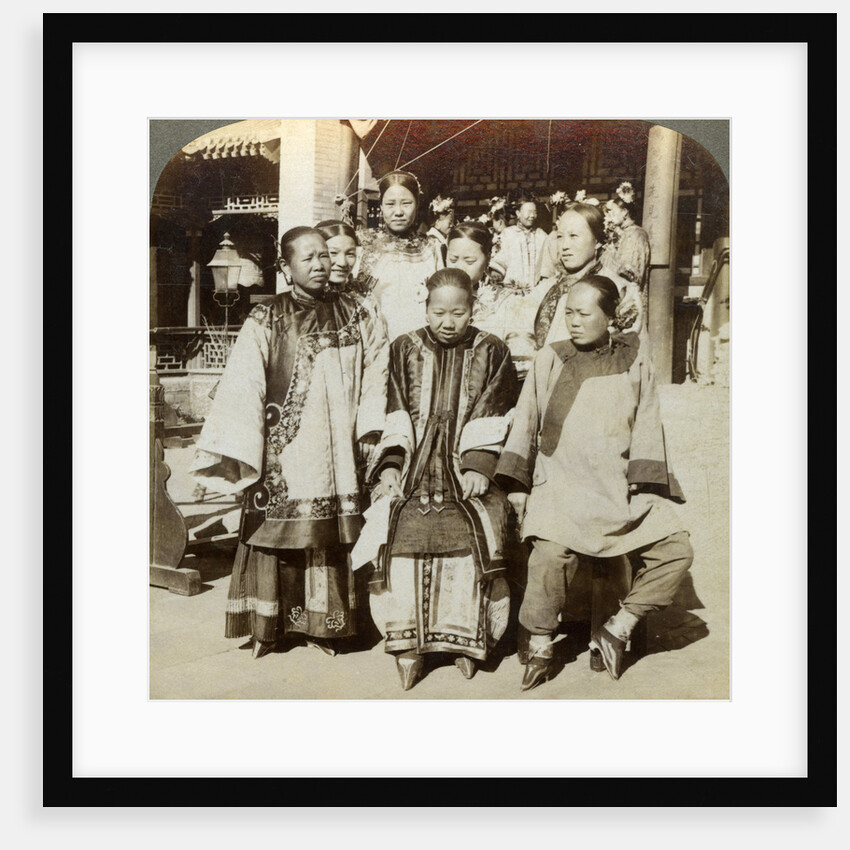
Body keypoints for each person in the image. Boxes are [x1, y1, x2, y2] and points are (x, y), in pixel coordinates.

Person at [190, 226, 390, 659]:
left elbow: (378, 371)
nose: (322, 265)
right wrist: (243, 449)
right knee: (277, 533)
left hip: (338, 449)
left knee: (331, 536)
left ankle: (328, 628)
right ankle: (272, 627)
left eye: (326, 256)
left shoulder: (358, 312)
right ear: (285, 267)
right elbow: (243, 384)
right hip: (285, 451)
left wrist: (370, 429)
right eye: (309, 258)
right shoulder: (267, 317)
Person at [495, 276, 694, 690]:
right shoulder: (552, 357)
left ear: (611, 316)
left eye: (584, 313)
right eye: (568, 312)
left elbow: (646, 422)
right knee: (550, 556)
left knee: (677, 549)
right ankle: (542, 642)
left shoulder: (634, 356)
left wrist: (644, 486)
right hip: (561, 486)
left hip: (617, 488)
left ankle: (619, 627)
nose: (573, 321)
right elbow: (526, 418)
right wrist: (518, 483)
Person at [358, 268, 519, 690]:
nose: (448, 322)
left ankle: (466, 641)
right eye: (439, 312)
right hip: (414, 463)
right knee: (397, 524)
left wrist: (479, 465)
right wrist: (391, 465)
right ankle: (408, 644)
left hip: (466, 466)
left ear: (473, 309)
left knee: (475, 529)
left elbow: (495, 413)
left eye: (459, 313)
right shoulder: (404, 348)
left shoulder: (493, 351)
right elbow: (394, 410)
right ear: (426, 307)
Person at [533, 201, 643, 349]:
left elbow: (631, 351)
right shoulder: (548, 286)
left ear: (597, 241)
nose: (564, 246)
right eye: (560, 237)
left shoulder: (620, 289)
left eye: (573, 236)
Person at [353, 169, 443, 341]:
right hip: (376, 339)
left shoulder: (430, 247)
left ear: (417, 204)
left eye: (406, 203)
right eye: (390, 204)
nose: (399, 211)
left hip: (422, 338)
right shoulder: (363, 244)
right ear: (381, 206)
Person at [445, 220, 535, 379]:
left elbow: (522, 364)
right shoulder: (432, 297)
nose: (459, 267)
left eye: (469, 261)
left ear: (487, 259)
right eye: (453, 259)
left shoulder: (508, 302)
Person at [602, 182, 651, 312]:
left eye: (613, 212)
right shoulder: (620, 234)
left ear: (624, 212)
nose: (610, 216)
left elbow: (630, 271)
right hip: (613, 292)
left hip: (627, 294)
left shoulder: (636, 234)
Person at [492, 192, 547, 290]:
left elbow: (547, 264)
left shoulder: (541, 235)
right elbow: (500, 260)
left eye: (534, 212)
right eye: (528, 212)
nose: (532, 215)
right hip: (512, 290)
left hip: (537, 291)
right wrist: (497, 274)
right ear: (518, 213)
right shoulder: (508, 234)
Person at [315, 219, 359, 294]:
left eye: (350, 254)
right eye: (333, 253)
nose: (342, 263)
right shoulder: (295, 301)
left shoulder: (360, 295)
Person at [425, 195, 455, 264]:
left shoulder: (444, 240)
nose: (451, 225)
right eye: (450, 222)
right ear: (437, 223)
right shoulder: (431, 241)